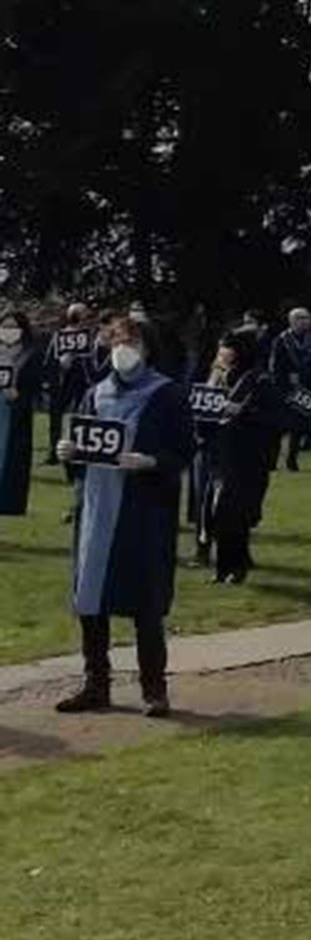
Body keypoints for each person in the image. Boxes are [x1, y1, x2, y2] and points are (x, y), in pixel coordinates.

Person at [52, 318, 193, 717]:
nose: (122, 348)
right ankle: (96, 684)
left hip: (142, 512)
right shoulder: (95, 394)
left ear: (147, 348)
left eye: (131, 341)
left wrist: (151, 461)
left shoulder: (167, 395)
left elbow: (184, 451)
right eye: (116, 341)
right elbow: (84, 452)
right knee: (91, 599)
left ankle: (154, 688)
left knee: (144, 602)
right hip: (97, 509)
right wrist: (70, 455)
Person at [201, 332, 275, 586]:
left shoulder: (259, 379)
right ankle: (222, 567)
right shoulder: (219, 376)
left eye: (228, 349)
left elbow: (273, 417)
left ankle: (238, 567)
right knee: (216, 513)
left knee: (235, 515)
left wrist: (241, 411)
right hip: (220, 453)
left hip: (247, 457)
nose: (223, 354)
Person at [0, 311, 45, 518]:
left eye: (13, 327)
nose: (9, 331)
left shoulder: (32, 354)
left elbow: (36, 386)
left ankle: (8, 503)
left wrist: (19, 395)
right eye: (5, 326)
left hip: (16, 415)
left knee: (11, 460)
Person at [47, 302, 102, 467]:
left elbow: (95, 363)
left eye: (87, 316)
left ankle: (81, 451)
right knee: (56, 418)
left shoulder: (91, 339)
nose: (86, 319)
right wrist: (63, 362)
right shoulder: (60, 337)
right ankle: (54, 452)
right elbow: (49, 362)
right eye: (83, 315)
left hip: (83, 384)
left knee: (83, 417)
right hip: (61, 384)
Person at [268, 307, 311, 471]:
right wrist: (287, 378)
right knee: (278, 427)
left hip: (305, 388)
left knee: (299, 427)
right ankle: (272, 461)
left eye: (307, 318)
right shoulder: (282, 340)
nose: (305, 321)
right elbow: (275, 365)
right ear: (292, 321)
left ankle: (292, 460)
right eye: (301, 318)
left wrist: (306, 375)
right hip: (284, 389)